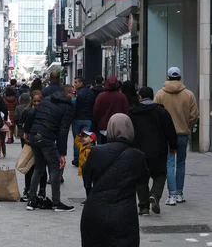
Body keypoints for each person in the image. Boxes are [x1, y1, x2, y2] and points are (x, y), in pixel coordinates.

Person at [81, 114, 149, 247]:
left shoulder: (96, 152)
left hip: (95, 211)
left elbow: (87, 173)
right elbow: (143, 180)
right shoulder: (137, 155)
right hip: (124, 214)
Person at [24, 85, 75, 212]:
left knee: (38, 168)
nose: (75, 96)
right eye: (74, 93)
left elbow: (32, 113)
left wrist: (27, 131)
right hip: (47, 137)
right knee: (55, 168)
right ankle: (56, 203)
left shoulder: (46, 100)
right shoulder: (67, 108)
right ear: (67, 93)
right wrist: (62, 153)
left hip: (35, 135)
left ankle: (32, 200)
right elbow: (63, 131)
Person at [128, 86, 178, 216]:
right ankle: (155, 194)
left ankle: (143, 207)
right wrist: (173, 146)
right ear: (152, 96)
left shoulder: (132, 112)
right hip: (158, 150)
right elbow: (170, 130)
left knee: (141, 179)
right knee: (160, 175)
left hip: (138, 150)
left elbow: (128, 132)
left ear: (140, 97)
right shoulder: (161, 111)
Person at [154, 67, 199, 206]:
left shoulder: (160, 94)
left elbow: (155, 114)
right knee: (181, 163)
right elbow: (194, 116)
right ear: (180, 77)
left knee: (169, 163)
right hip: (182, 134)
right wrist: (187, 126)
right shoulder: (189, 94)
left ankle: (171, 195)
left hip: (166, 136)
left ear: (167, 77)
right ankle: (179, 193)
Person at [93, 76, 130, 144]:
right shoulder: (122, 96)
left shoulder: (101, 96)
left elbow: (96, 110)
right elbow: (126, 111)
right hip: (118, 127)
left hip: (104, 126)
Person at [72, 77, 95, 167]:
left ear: (81, 83)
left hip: (77, 119)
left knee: (77, 139)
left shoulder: (77, 94)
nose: (75, 84)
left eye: (76, 82)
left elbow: (74, 107)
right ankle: (84, 158)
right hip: (88, 119)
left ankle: (77, 159)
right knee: (85, 139)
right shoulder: (90, 93)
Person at [74, 131, 96, 198]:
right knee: (85, 185)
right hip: (83, 170)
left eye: (86, 137)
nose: (83, 138)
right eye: (83, 136)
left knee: (88, 185)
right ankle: (88, 198)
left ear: (91, 139)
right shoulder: (82, 146)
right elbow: (77, 142)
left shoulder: (92, 149)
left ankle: (90, 198)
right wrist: (79, 136)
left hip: (89, 170)